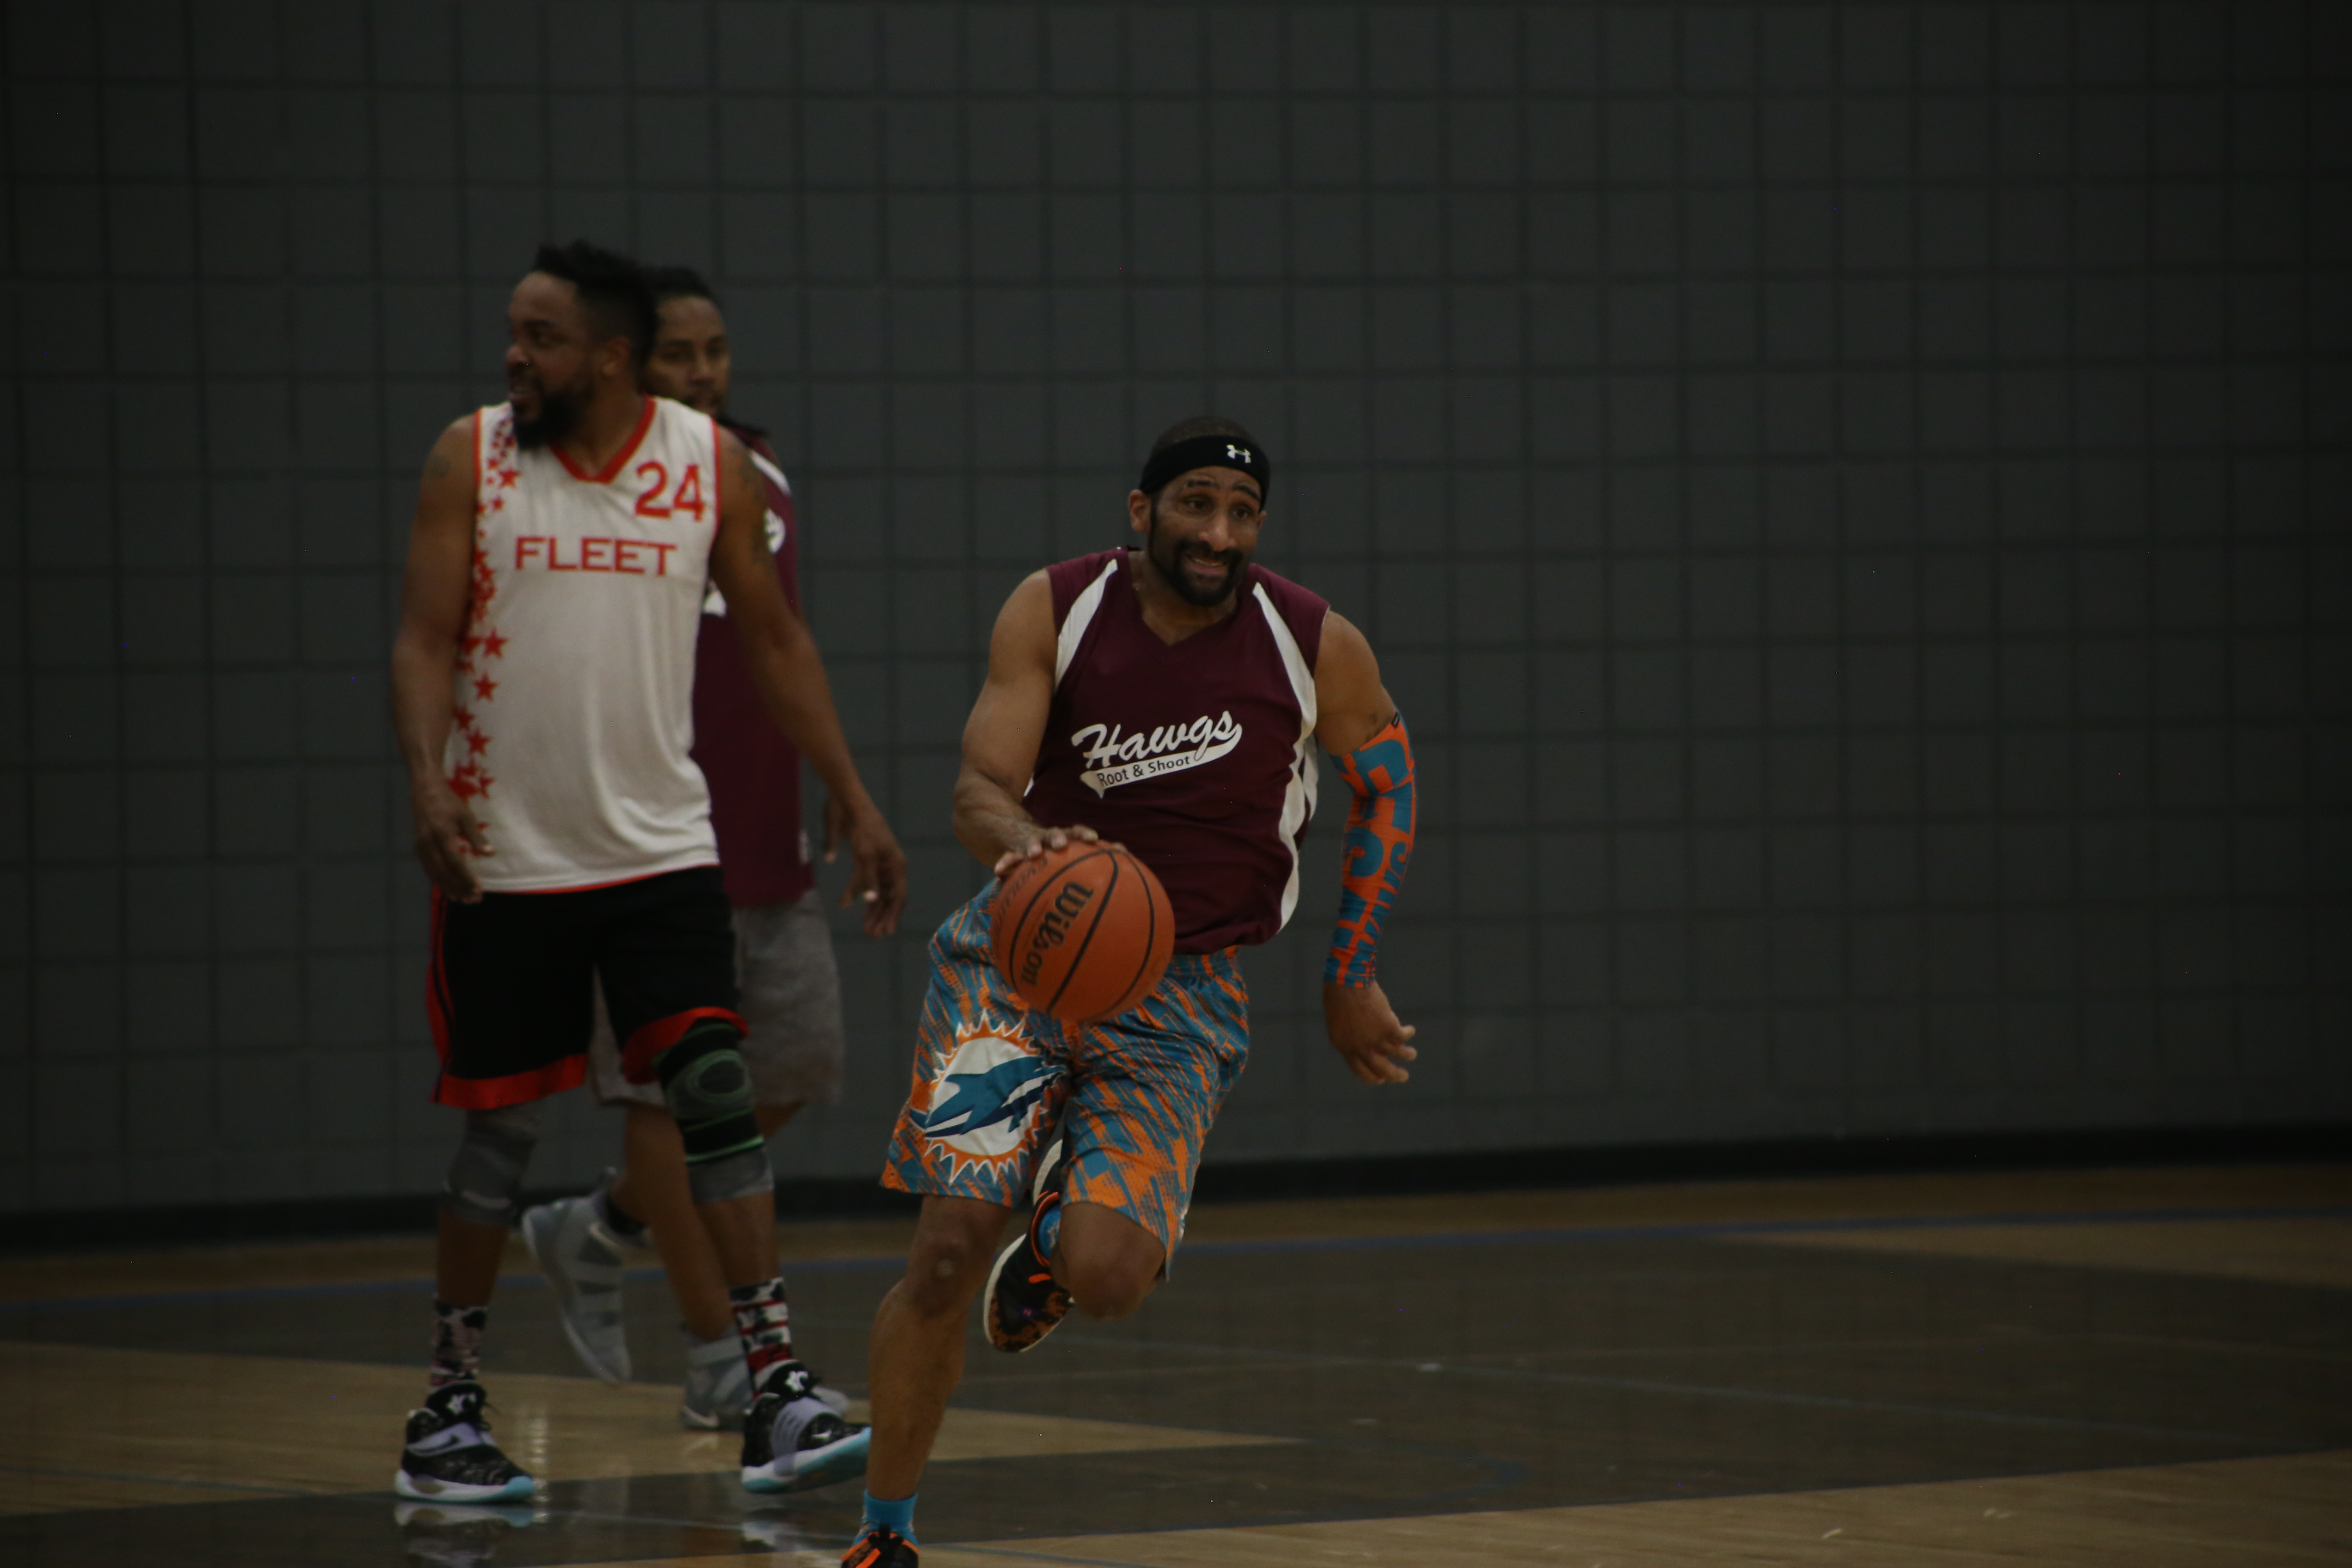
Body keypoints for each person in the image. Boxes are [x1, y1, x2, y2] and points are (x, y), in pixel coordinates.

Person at [839, 418, 1421, 1566]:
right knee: (948, 1250)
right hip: (1020, 961)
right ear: (1142, 509)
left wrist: (1350, 972)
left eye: (1242, 514)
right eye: (1196, 504)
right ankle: (884, 1536)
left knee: (1108, 1281)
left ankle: (1061, 1232)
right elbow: (977, 788)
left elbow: (1389, 786)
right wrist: (1035, 849)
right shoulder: (1057, 608)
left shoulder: (1312, 640)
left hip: (1183, 988)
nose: (1219, 534)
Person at [386, 239, 906, 1504]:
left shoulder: (705, 462)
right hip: (509, 856)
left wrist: (851, 790)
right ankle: (447, 1408)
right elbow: (423, 639)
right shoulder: (473, 456)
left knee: (716, 1093)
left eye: (543, 338)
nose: (516, 356)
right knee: (500, 1137)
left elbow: (774, 638)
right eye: (516, 333)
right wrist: (426, 785)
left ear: (609, 359)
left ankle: (772, 1387)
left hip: (662, 848)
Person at [517, 267, 875, 1433]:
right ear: (625, 362)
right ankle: (722, 1357)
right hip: (644, 843)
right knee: (671, 1102)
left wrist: (841, 783)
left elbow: (780, 645)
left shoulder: (753, 472)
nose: (705, 373)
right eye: (681, 354)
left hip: (765, 833)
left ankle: (607, 1223)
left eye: (717, 351)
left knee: (799, 1067)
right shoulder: (574, 487)